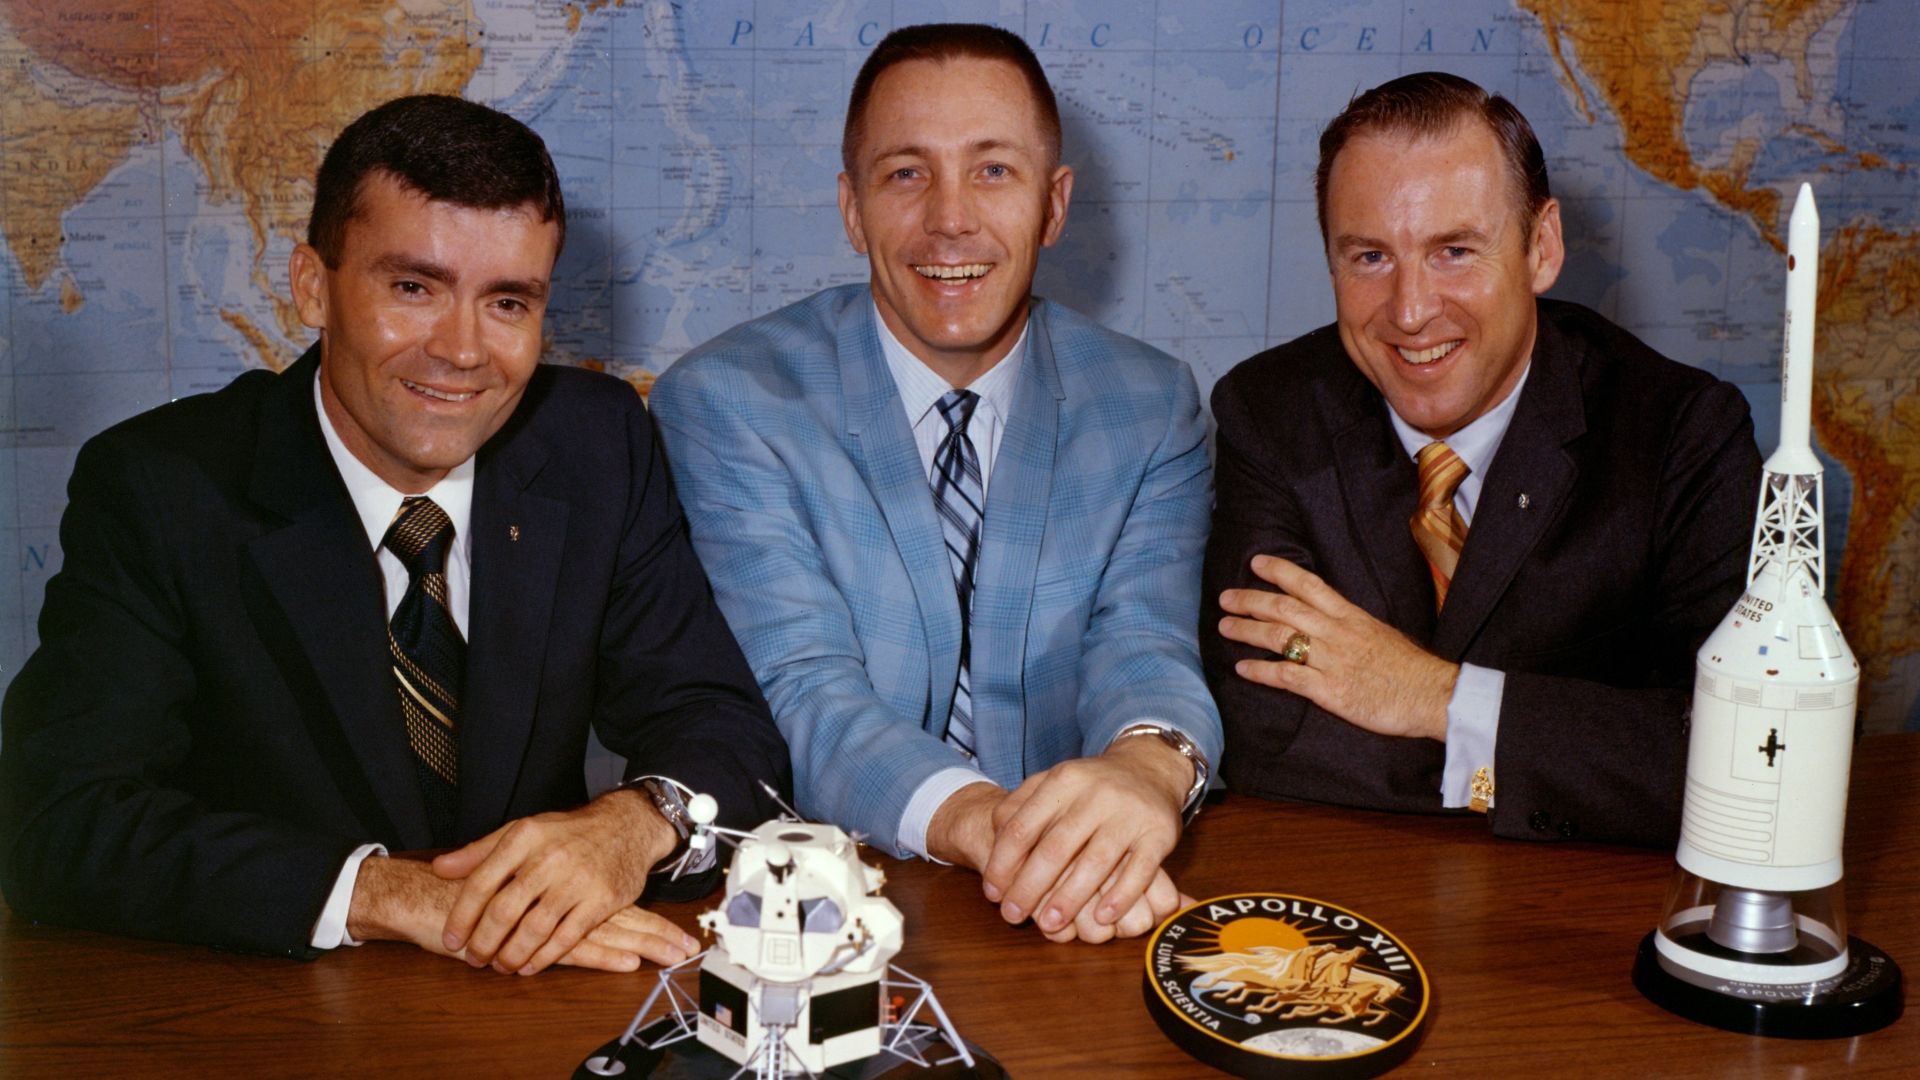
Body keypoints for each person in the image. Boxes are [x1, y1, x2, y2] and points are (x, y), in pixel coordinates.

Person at [0, 95, 790, 972]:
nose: (461, 350)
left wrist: (635, 824)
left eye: (508, 302)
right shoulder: (162, 488)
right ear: (312, 286)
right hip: (267, 1007)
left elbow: (719, 723)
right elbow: (57, 823)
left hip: (537, 998)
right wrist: (395, 894)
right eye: (414, 287)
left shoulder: (596, 443)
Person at [652, 24, 1221, 944]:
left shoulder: (1153, 404)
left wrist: (1147, 772)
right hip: (824, 917)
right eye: (906, 173)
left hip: (1082, 915)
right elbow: (802, 689)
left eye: (993, 170)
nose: (949, 218)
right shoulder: (727, 401)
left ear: (1055, 204)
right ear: (851, 207)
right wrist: (1002, 829)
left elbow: (1145, 643)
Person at [1204, 72, 1761, 847]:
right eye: (1369, 257)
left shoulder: (1683, 434)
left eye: (1454, 251)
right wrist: (1581, 747)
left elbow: (1743, 759)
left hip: (1579, 916)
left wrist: (1433, 697)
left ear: (1542, 247)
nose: (1409, 311)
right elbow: (1268, 740)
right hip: (1350, 886)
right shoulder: (1269, 411)